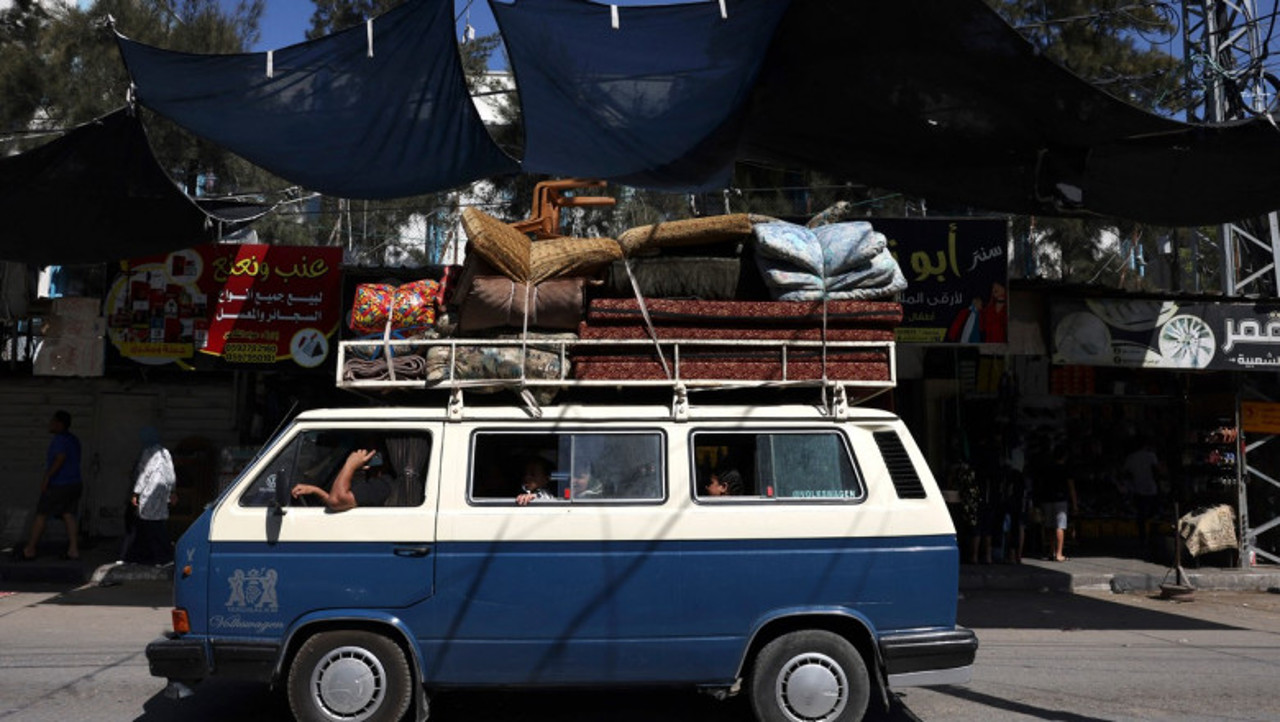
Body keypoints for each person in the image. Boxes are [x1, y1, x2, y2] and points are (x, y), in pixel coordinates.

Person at [20, 410, 83, 561]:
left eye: (52, 421)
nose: (50, 424)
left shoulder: (60, 440)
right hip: (74, 483)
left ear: (59, 424)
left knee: (42, 514)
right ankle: (73, 549)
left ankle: (30, 549)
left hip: (59, 484)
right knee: (68, 514)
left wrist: (47, 477)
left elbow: (60, 458)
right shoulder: (73, 439)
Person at [121, 427, 176, 565]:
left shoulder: (148, 453)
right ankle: (145, 557)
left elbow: (143, 474)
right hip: (162, 495)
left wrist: (136, 493)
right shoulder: (165, 453)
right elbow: (171, 475)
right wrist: (172, 491)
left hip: (149, 493)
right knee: (154, 525)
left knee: (149, 526)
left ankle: (159, 556)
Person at [291, 447, 391, 511]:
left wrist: (350, 465)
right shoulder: (376, 483)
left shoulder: (384, 485)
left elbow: (337, 500)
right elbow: (334, 500)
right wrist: (315, 491)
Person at [1122, 436, 1166, 555]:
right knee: (1153, 513)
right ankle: (1152, 537)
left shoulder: (1131, 458)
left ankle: (1143, 538)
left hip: (1138, 488)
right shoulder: (1151, 456)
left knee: (1141, 515)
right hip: (1151, 488)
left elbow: (1126, 473)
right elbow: (1157, 471)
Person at [1039, 444, 1077, 562]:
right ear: (1065, 456)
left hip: (1048, 499)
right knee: (1060, 526)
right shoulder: (1066, 469)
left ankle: (1052, 551)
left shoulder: (1047, 468)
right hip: (1060, 500)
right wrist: (1075, 504)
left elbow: (1042, 485)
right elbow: (1071, 487)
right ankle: (1059, 554)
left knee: (1050, 526)